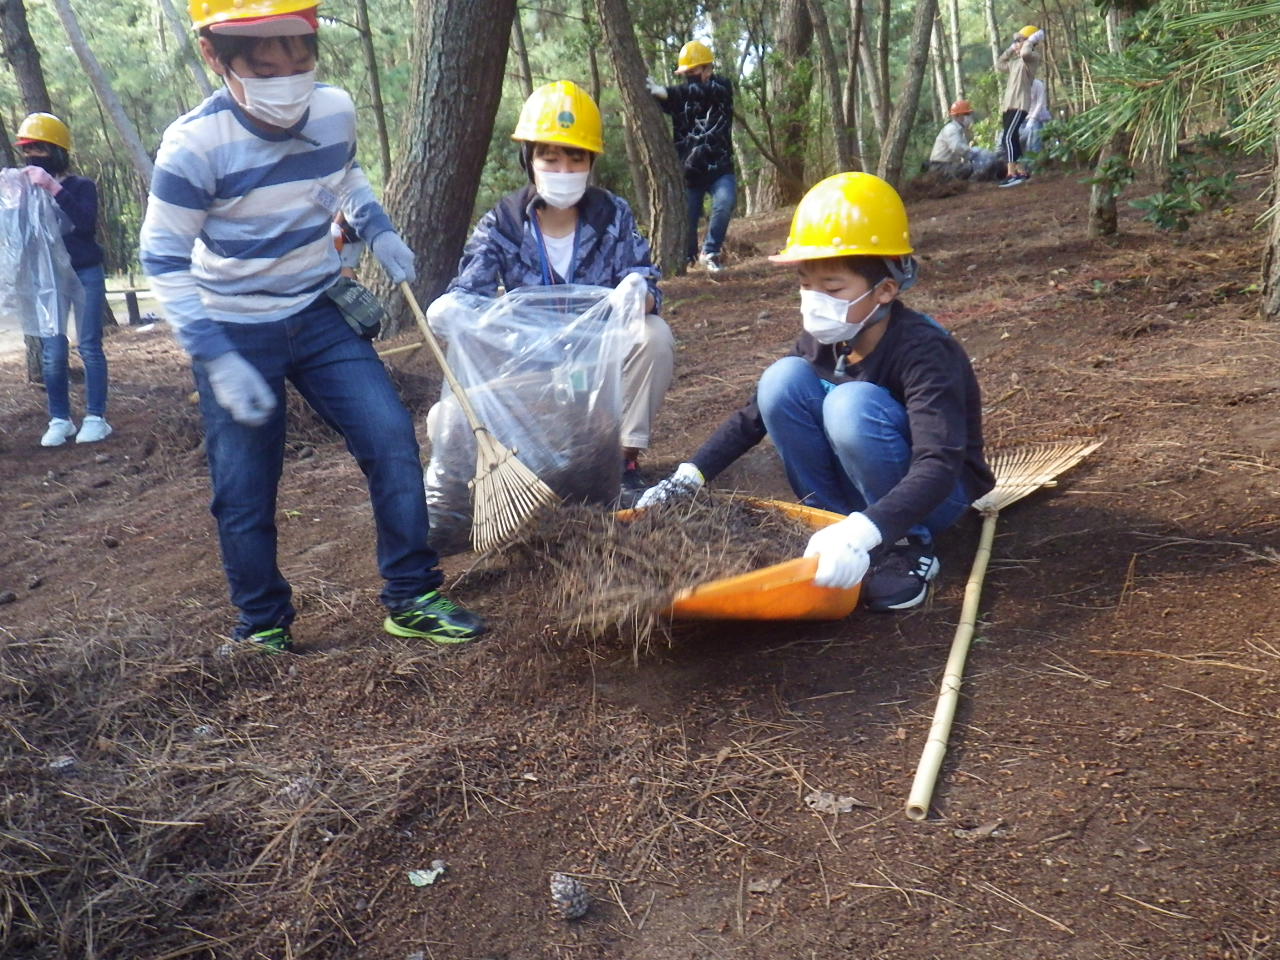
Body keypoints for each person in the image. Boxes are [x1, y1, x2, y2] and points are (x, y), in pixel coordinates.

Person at [139, 0, 485, 653]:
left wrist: (376, 225)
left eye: (299, 55)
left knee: (389, 438)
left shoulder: (333, 110)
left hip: (317, 307)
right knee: (243, 489)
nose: (289, 77)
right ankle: (262, 624)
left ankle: (412, 594)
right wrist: (214, 352)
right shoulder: (194, 148)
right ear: (217, 58)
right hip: (234, 326)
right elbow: (161, 260)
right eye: (266, 65)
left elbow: (342, 174)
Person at [638, 173, 994, 612]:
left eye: (832, 287)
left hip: (936, 495)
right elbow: (754, 416)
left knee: (850, 403)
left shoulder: (924, 351)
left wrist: (868, 531)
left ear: (885, 289)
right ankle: (830, 523)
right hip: (865, 489)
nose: (814, 299)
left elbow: (938, 465)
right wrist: (688, 477)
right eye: (805, 284)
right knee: (781, 380)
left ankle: (905, 546)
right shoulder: (828, 337)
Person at [438, 80, 674, 495]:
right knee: (444, 415)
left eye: (575, 159)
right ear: (528, 160)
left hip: (598, 366)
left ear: (590, 162)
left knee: (654, 336)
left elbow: (649, 283)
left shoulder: (611, 216)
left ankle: (622, 461)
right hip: (529, 367)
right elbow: (470, 292)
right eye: (550, 158)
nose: (563, 171)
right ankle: (510, 478)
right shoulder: (504, 224)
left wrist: (640, 294)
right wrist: (452, 309)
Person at [17, 113, 112, 447]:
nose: (32, 157)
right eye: (28, 151)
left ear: (57, 151)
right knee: (53, 351)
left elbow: (84, 224)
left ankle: (96, 417)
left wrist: (52, 186)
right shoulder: (27, 192)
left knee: (89, 346)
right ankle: (60, 419)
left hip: (85, 272)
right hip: (50, 279)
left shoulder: (81, 186)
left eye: (40, 149)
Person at [647, 41, 735, 273]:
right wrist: (659, 95)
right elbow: (671, 100)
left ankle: (711, 252)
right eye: (686, 74)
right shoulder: (679, 97)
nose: (690, 78)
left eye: (694, 72)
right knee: (687, 220)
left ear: (708, 69)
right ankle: (686, 260)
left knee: (724, 202)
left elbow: (701, 92)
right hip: (689, 172)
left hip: (720, 166)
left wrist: (669, 92)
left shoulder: (722, 87)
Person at [996, 25, 1045, 187]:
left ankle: (1012, 173)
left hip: (1020, 104)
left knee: (1008, 137)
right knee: (1011, 138)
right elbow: (1000, 64)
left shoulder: (1031, 58)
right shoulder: (1015, 63)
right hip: (1009, 105)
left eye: (1019, 40)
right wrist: (1011, 49)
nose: (1017, 43)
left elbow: (1025, 52)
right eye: (1015, 41)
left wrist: (1029, 41)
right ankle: (1021, 171)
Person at [927, 100, 983, 180]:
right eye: (966, 114)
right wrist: (973, 152)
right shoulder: (951, 129)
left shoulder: (960, 131)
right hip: (940, 167)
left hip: (948, 165)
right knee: (969, 169)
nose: (969, 117)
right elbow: (957, 147)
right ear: (958, 116)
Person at [1020, 78, 1051, 158]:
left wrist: (1032, 119)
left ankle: (1035, 167)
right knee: (1022, 143)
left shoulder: (1038, 84)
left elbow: (1040, 102)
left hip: (1036, 117)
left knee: (1035, 143)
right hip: (1021, 117)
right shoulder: (1018, 85)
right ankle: (1024, 167)